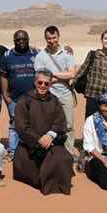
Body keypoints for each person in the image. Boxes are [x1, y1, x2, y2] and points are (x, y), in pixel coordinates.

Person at [13, 69, 74, 195]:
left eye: (46, 83)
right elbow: (21, 127)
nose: (42, 86)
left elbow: (60, 122)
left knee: (64, 158)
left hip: (50, 142)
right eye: (40, 82)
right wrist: (39, 139)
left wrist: (49, 136)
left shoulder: (54, 100)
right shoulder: (24, 100)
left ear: (50, 84)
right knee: (37, 178)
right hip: (31, 146)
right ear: (35, 82)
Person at [34, 26, 77, 158]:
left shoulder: (67, 53)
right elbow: (41, 80)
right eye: (49, 38)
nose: (52, 40)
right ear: (45, 38)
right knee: (49, 125)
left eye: (54, 38)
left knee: (68, 125)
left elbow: (72, 74)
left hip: (65, 95)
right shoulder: (40, 56)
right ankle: (52, 152)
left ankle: (68, 153)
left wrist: (51, 75)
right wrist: (61, 76)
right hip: (49, 96)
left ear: (58, 37)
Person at [0, 30, 38, 162]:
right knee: (14, 124)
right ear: (14, 41)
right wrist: (5, 96)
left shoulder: (36, 53)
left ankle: (31, 148)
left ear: (28, 39)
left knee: (33, 124)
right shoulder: (7, 56)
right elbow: (4, 76)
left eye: (24, 39)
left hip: (33, 98)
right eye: (18, 40)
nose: (21, 42)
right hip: (14, 99)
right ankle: (12, 151)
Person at [76, 29, 107, 119]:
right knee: (90, 122)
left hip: (106, 97)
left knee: (105, 123)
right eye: (105, 38)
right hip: (92, 95)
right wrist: (74, 84)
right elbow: (81, 71)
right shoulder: (93, 55)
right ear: (101, 39)